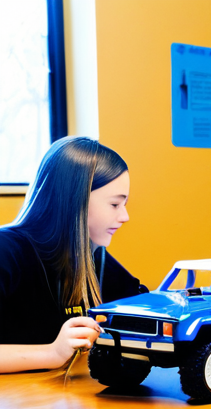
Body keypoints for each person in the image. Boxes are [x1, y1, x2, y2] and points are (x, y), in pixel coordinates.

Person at [0, 136, 145, 374]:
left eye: (125, 204)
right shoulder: (7, 251)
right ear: (75, 201)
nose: (125, 217)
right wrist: (52, 353)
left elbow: (141, 308)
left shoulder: (93, 257)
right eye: (114, 204)